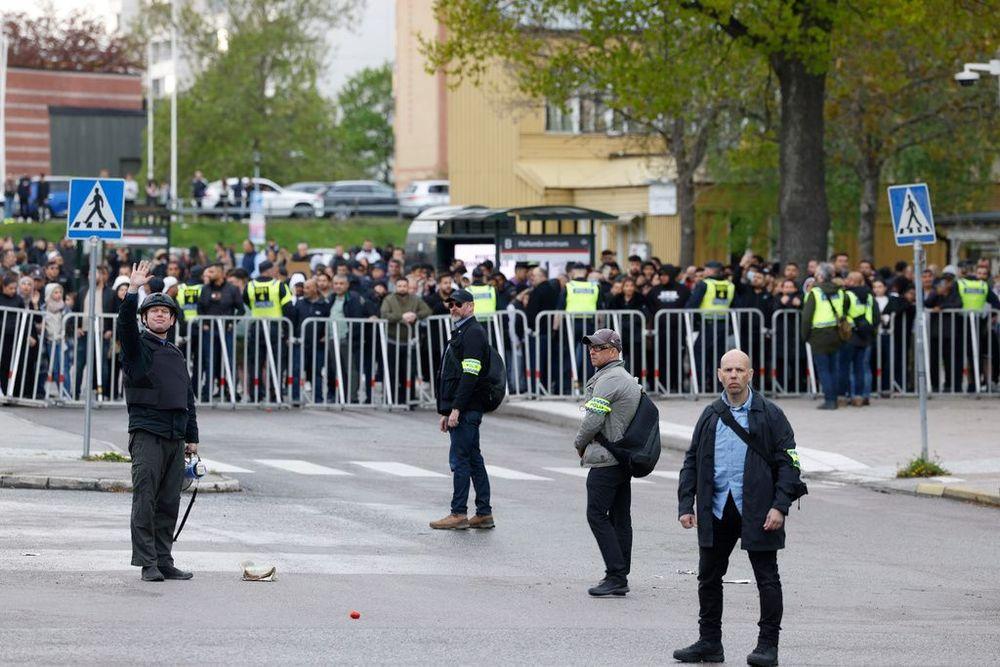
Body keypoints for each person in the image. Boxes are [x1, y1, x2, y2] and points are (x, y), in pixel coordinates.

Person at [675, 349, 804, 667]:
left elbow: (789, 463)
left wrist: (780, 506)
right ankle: (709, 643)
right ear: (719, 374)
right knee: (708, 577)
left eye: (739, 370)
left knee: (767, 578)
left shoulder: (769, 414)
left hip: (759, 510)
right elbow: (691, 460)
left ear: (750, 375)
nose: (733, 375)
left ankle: (768, 646)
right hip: (717, 508)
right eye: (728, 370)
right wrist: (686, 503)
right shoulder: (711, 414)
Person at [118, 260, 199, 582]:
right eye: (154, 311)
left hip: (175, 435)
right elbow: (124, 324)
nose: (160, 314)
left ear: (173, 319)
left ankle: (165, 559)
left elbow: (188, 397)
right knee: (146, 500)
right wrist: (134, 290)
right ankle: (147, 562)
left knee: (168, 501)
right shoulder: (138, 348)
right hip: (147, 432)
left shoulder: (176, 354)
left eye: (166, 311)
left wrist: (192, 436)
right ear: (145, 317)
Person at [572, 328, 641, 597]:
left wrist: (579, 444)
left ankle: (615, 573)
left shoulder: (610, 379)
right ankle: (620, 574)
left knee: (597, 514)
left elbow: (592, 420)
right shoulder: (618, 376)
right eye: (591, 347)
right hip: (621, 455)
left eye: (598, 348)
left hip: (607, 458)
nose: (592, 351)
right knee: (620, 517)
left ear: (614, 351)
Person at [430, 288, 494, 530]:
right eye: (450, 304)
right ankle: (484, 513)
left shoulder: (473, 332)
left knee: (459, 460)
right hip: (463, 407)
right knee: (474, 459)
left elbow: (469, 375)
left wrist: (456, 409)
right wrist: (447, 410)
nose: (453, 308)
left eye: (458, 304)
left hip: (467, 408)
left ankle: (458, 513)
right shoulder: (462, 331)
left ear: (470, 306)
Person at [800, 263, 847, 409]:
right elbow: (844, 310)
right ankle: (836, 397)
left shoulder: (815, 292)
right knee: (834, 368)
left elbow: (807, 317)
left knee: (823, 369)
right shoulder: (840, 291)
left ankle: (830, 400)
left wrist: (805, 336)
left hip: (819, 334)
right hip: (836, 332)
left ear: (820, 276)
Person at [687, 260, 735, 393]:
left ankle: (701, 385)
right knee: (718, 356)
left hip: (708, 323)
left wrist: (695, 320)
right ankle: (717, 385)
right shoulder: (729, 285)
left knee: (700, 354)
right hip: (723, 324)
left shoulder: (704, 284)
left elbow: (692, 304)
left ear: (710, 271)